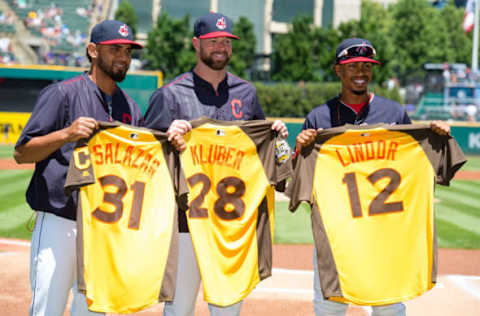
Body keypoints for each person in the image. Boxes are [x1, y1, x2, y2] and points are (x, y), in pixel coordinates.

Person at [144, 12, 288, 316]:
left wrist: (278, 139)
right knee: (178, 310)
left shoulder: (246, 93)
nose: (221, 46)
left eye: (226, 41)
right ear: (196, 44)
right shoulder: (170, 95)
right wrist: (167, 138)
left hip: (231, 227)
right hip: (185, 224)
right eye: (213, 41)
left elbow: (262, 156)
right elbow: (144, 156)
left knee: (226, 311)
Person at [295, 38, 450, 316]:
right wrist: (300, 148)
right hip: (337, 233)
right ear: (337, 71)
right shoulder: (319, 118)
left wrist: (437, 136)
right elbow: (298, 180)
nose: (361, 72)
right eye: (352, 66)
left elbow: (416, 162)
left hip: (385, 231)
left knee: (389, 304)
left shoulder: (394, 112)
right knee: (329, 304)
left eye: (367, 66)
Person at [13, 20, 143, 316]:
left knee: (93, 311)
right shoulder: (62, 94)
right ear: (93, 51)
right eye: (115, 49)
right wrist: (66, 134)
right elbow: (22, 152)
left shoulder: (131, 109)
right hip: (61, 220)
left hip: (105, 227)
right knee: (48, 308)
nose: (123, 56)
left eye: (128, 50)